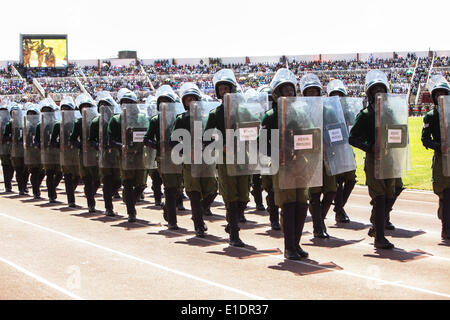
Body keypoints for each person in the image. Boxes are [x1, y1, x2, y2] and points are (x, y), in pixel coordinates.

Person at [260, 68, 309, 260]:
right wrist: (277, 153)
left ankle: (296, 243)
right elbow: (262, 143)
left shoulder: (297, 114)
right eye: (284, 90)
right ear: (277, 93)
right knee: (288, 205)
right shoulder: (270, 116)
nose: (288, 93)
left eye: (291, 90)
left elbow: (307, 136)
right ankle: (289, 247)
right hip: (282, 165)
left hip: (300, 164)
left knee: (301, 205)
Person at [349, 70, 396, 249]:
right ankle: (379, 237)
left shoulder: (390, 112)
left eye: (381, 89)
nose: (378, 92)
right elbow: (352, 138)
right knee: (379, 197)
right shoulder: (366, 114)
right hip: (374, 160)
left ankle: (376, 226)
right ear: (369, 93)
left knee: (392, 193)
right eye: (374, 89)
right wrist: (369, 147)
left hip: (390, 159)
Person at [204, 69, 249, 247]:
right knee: (230, 195)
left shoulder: (243, 111)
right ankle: (234, 234)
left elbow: (255, 129)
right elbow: (206, 137)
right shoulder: (215, 114)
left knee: (244, 197)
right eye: (221, 89)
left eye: (226, 88)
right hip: (224, 158)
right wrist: (219, 146)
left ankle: (232, 223)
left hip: (243, 156)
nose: (224, 92)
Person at [171, 82, 218, 237]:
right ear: (184, 102)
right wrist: (186, 151)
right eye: (187, 99)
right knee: (194, 193)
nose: (191, 102)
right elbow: (174, 142)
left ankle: (198, 213)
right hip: (190, 161)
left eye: (193, 98)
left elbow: (213, 136)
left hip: (206, 159)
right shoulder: (181, 119)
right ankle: (198, 224)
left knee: (212, 190)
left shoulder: (207, 118)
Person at [144, 85, 184, 229]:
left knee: (179, 188)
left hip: (180, 157)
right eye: (162, 102)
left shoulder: (179, 118)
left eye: (167, 101)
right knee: (169, 188)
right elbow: (146, 138)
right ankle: (172, 222)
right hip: (163, 158)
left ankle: (167, 207)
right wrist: (157, 145)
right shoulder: (155, 120)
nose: (164, 104)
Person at [108, 88, 148, 223]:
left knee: (141, 184)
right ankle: (131, 211)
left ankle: (129, 199)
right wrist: (121, 146)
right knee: (128, 183)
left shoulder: (141, 117)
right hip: (125, 157)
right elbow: (110, 139)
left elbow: (146, 134)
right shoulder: (116, 120)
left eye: (129, 102)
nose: (126, 105)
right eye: (124, 102)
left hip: (140, 155)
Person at [301, 73, 333, 238]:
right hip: (310, 157)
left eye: (315, 91)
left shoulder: (327, 110)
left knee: (331, 191)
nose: (312, 94)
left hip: (327, 156)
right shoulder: (300, 111)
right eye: (309, 91)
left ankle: (320, 220)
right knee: (314, 194)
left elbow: (336, 127)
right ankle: (318, 226)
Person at [421, 74, 450, 240]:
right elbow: (425, 139)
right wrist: (440, 147)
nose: (441, 96)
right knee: (445, 194)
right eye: (437, 94)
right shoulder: (431, 116)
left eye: (443, 93)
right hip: (441, 159)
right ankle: (445, 228)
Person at [88, 91, 122, 216]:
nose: (104, 107)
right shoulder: (96, 122)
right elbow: (91, 140)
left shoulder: (116, 120)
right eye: (101, 105)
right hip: (103, 155)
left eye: (106, 105)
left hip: (116, 154)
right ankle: (108, 207)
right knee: (106, 181)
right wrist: (97, 146)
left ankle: (109, 196)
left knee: (118, 180)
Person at [327, 79, 355, 223]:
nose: (337, 98)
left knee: (351, 179)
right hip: (334, 150)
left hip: (347, 149)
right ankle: (339, 210)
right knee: (338, 182)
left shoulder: (349, 112)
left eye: (340, 95)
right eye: (334, 95)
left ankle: (339, 206)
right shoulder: (328, 112)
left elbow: (353, 127)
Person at [70, 94, 101, 213]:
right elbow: (72, 138)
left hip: (97, 154)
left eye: (88, 107)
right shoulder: (78, 123)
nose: (85, 109)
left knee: (98, 179)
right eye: (83, 107)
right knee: (87, 179)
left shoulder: (97, 121)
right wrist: (79, 146)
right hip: (84, 154)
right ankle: (90, 203)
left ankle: (90, 194)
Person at [258, 84, 281, 230]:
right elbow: (262, 140)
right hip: (271, 157)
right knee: (272, 190)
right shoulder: (270, 115)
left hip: (291, 158)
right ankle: (274, 219)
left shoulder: (296, 113)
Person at [51, 96, 80, 207]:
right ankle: (70, 200)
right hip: (65, 154)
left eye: (67, 108)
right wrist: (60, 146)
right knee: (67, 176)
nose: (65, 111)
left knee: (78, 176)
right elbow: (53, 140)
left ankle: (70, 192)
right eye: (63, 108)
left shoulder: (77, 122)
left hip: (76, 153)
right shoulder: (58, 124)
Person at [36, 98, 63, 203]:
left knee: (60, 173)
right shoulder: (40, 125)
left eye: (48, 111)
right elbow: (37, 140)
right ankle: (51, 194)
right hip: (47, 152)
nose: (47, 113)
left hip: (58, 152)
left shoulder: (58, 124)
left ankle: (52, 188)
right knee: (50, 173)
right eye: (45, 111)